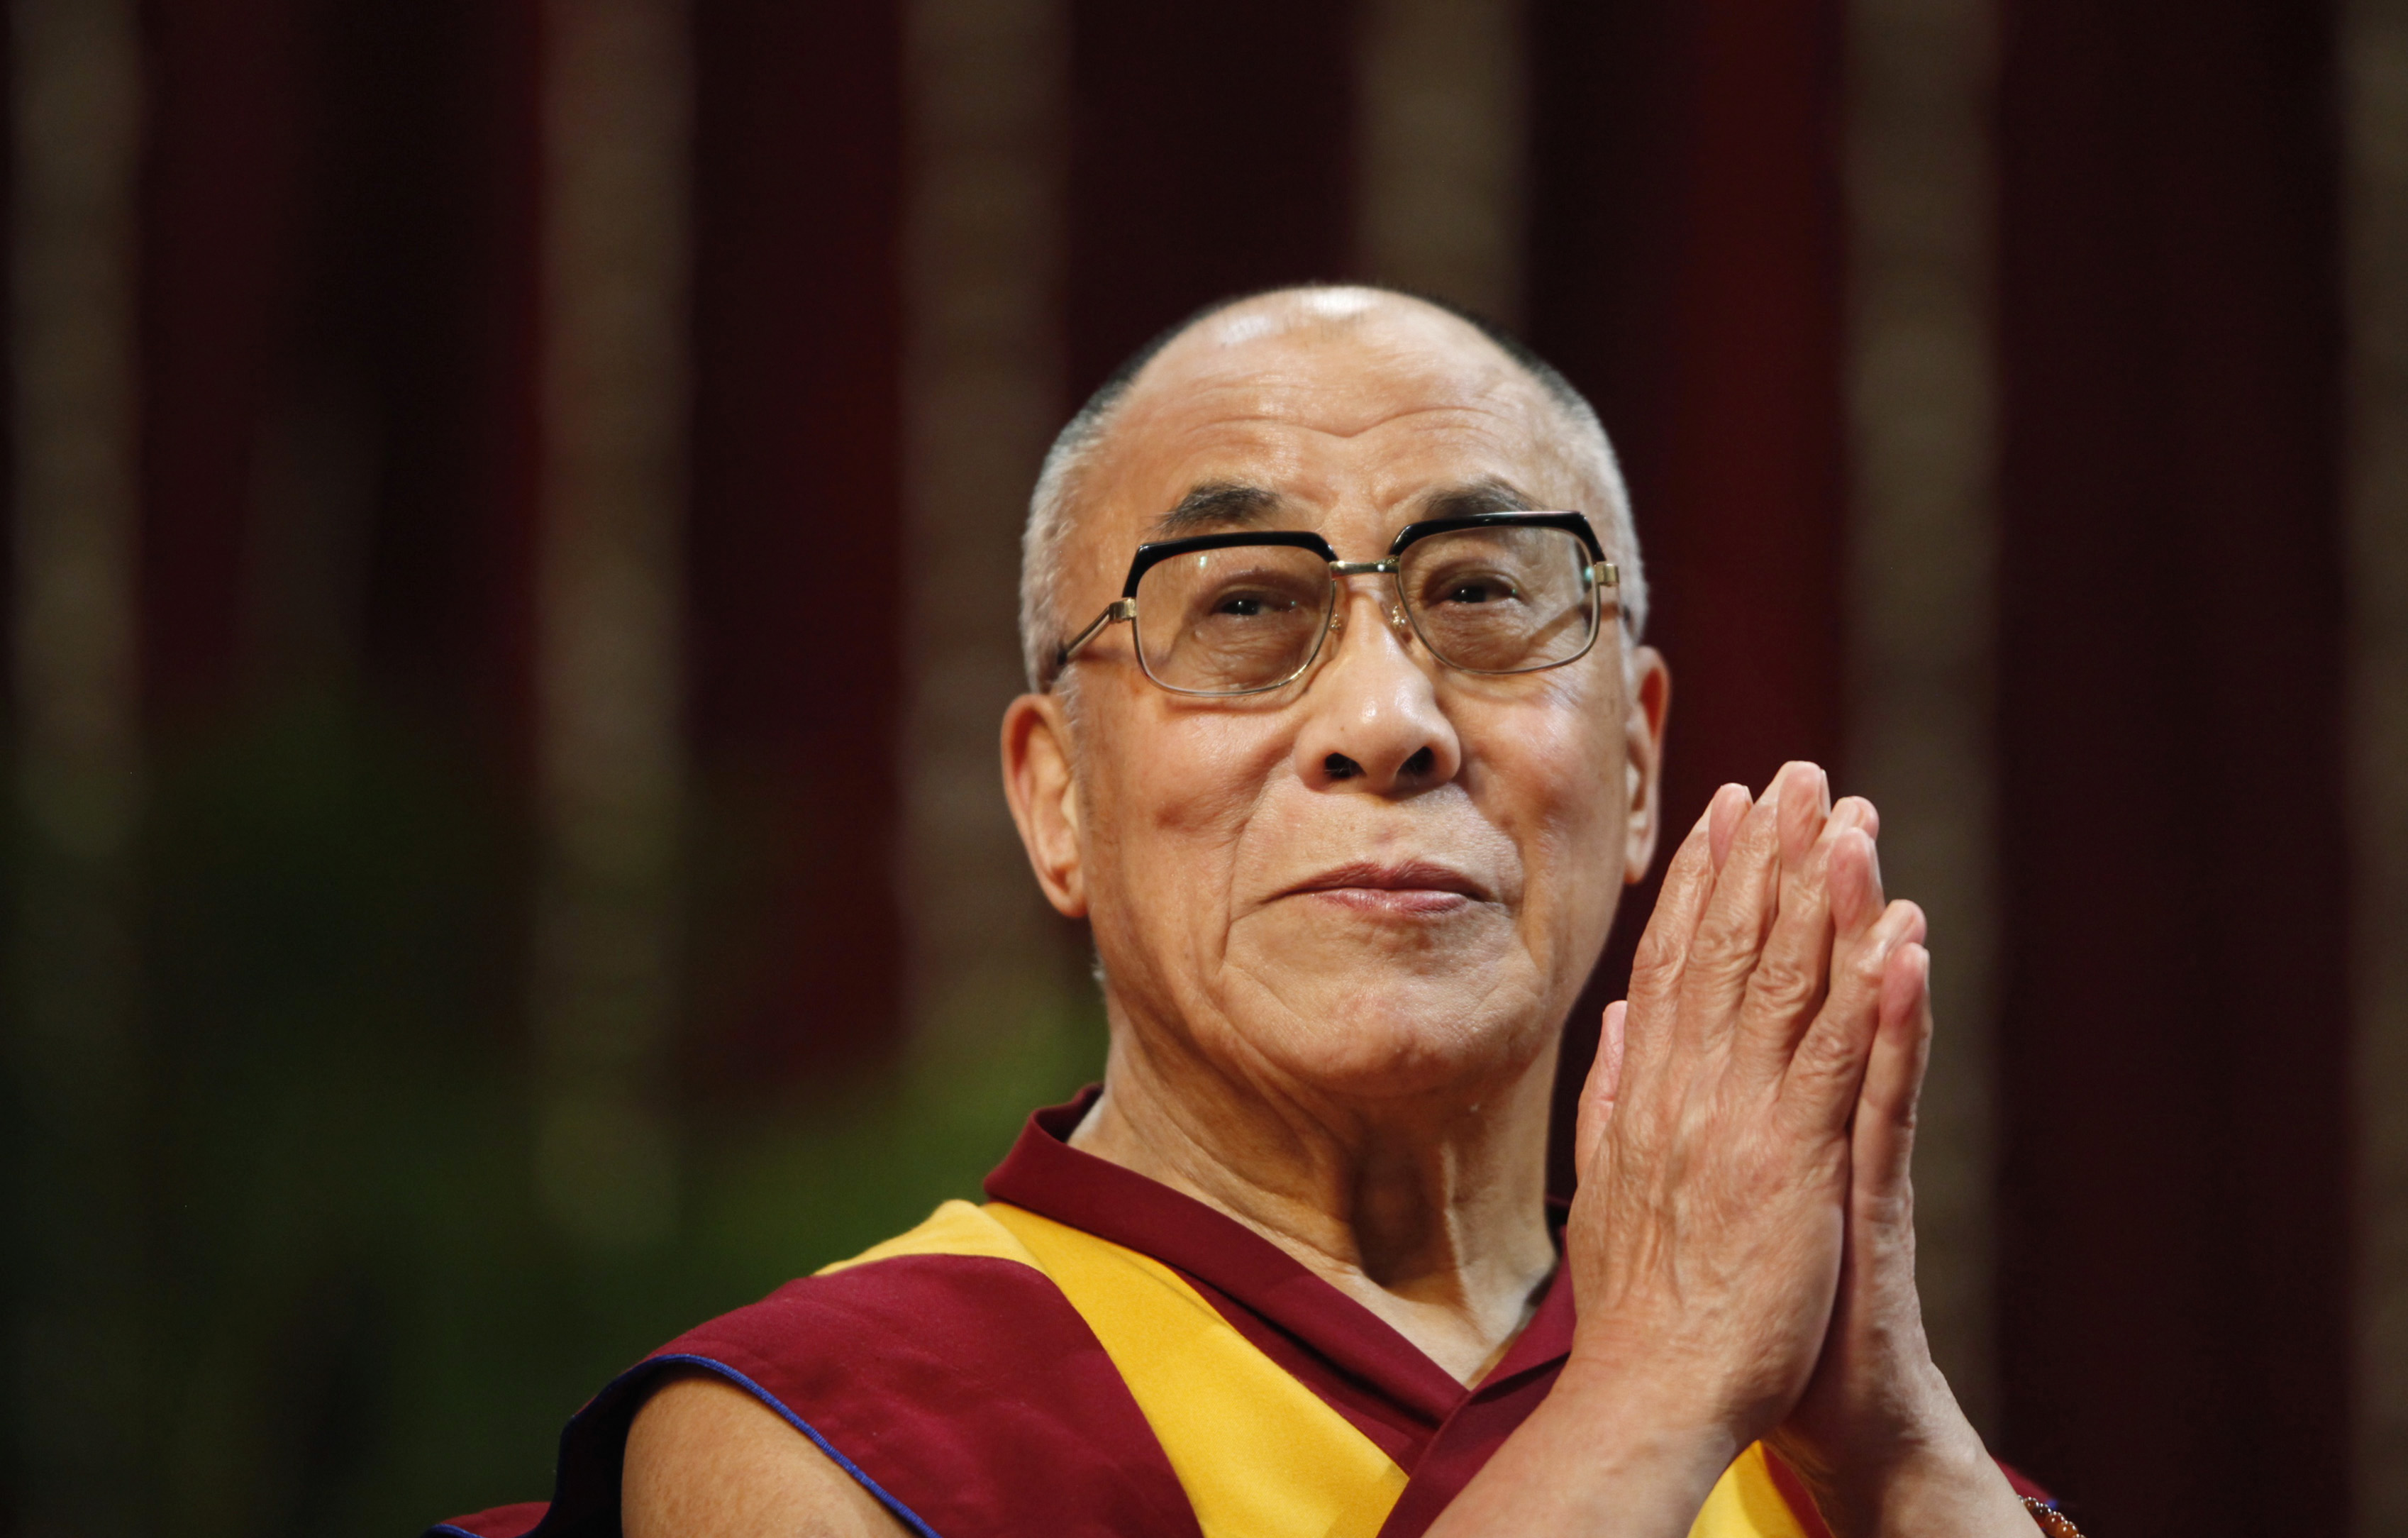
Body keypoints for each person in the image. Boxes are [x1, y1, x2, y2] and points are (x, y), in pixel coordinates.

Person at [431, 286, 2069, 1538]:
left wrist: (1909, 1455)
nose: (1388, 718)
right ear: (1055, 796)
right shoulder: (831, 1438)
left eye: (1485, 593)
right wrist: (1646, 1397)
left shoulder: (1828, 1451)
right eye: (1245, 609)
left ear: (1636, 764)